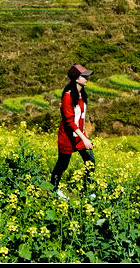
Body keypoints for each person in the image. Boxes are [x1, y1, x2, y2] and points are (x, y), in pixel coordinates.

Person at [50, 64, 96, 199]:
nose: (87, 78)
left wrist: (84, 135)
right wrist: (85, 139)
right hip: (68, 136)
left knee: (90, 162)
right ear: (76, 78)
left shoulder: (82, 94)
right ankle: (53, 189)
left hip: (79, 135)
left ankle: (87, 193)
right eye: (84, 76)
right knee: (62, 164)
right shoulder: (68, 96)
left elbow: (80, 117)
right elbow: (70, 122)